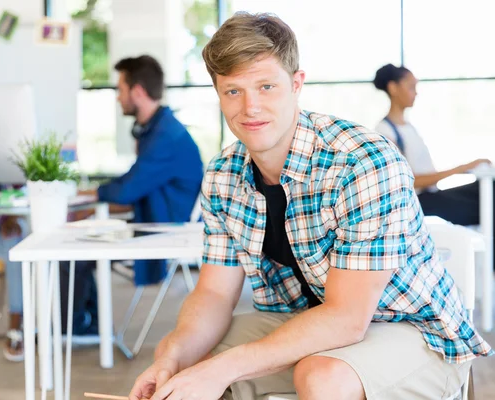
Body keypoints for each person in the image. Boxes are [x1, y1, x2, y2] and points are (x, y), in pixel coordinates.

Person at [129, 13, 492, 400]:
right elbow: (215, 294)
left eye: (266, 86)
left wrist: (225, 367)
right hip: (304, 321)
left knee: (319, 377)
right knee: (184, 361)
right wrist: (176, 356)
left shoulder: (361, 162)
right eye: (233, 91)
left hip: (413, 330)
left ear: (296, 84)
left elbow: (348, 318)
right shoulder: (222, 174)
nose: (250, 107)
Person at [0, 76, 98, 362]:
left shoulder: (0, 136)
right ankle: (18, 324)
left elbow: (15, 186)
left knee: (31, 239)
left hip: (7, 219)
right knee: (15, 248)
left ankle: (48, 318)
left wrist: (7, 212)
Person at [93, 55, 204, 286]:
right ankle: (87, 322)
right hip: (158, 219)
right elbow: (134, 180)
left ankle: (85, 322)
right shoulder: (157, 129)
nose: (118, 97)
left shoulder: (164, 136)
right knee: (83, 245)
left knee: (78, 254)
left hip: (170, 228)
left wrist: (91, 196)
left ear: (138, 92)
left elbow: (128, 190)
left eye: (121, 89)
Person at [373, 64, 494, 265]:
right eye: (411, 87)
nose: (416, 93)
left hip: (431, 196)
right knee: (487, 199)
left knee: (488, 190)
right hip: (420, 204)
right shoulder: (385, 132)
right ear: (393, 88)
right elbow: (408, 182)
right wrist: (461, 168)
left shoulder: (408, 127)